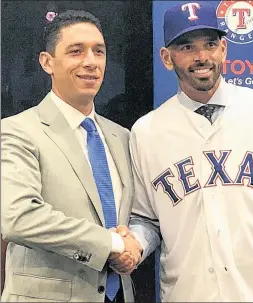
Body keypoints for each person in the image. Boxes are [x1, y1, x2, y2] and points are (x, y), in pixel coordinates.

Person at [116, 2, 253, 302]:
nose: (201, 56)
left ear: (224, 49)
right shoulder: (147, 132)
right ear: (167, 58)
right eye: (186, 47)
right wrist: (134, 246)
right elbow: (147, 221)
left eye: (210, 44)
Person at [1, 10, 142, 303]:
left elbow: (139, 215)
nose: (91, 62)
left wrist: (135, 244)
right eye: (76, 51)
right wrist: (112, 244)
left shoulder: (123, 137)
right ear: (47, 62)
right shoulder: (17, 131)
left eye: (98, 51)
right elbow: (18, 217)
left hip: (119, 296)